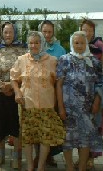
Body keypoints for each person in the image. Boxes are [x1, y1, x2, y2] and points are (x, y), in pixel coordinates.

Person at [10, 31, 65, 171]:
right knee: (28, 138)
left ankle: (40, 167)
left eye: (37, 42)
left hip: (47, 106)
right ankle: (29, 166)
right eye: (31, 43)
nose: (33, 45)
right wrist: (17, 92)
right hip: (27, 105)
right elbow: (13, 78)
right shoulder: (22, 60)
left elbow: (58, 82)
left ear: (42, 43)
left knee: (45, 138)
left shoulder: (52, 61)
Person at [56, 31, 103, 171]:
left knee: (85, 140)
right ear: (72, 44)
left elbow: (100, 84)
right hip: (69, 110)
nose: (79, 45)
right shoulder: (64, 60)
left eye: (82, 42)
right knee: (68, 141)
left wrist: (97, 102)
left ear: (86, 44)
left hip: (88, 110)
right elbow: (58, 85)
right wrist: (60, 107)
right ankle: (70, 167)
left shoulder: (94, 62)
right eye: (76, 43)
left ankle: (82, 167)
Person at [0, 21, 26, 169]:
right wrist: (0, 85)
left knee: (16, 125)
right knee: (0, 124)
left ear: (15, 33)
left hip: (16, 93)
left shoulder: (22, 50)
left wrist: (11, 85)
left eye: (10, 32)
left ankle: (16, 157)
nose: (7, 35)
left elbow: (26, 72)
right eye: (5, 32)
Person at [38, 20, 66, 167]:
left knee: (51, 126)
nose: (47, 35)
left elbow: (63, 74)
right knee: (37, 125)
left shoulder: (60, 50)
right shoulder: (34, 47)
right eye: (44, 32)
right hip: (37, 95)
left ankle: (50, 156)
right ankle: (39, 156)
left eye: (49, 32)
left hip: (54, 93)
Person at [80, 18, 103, 170]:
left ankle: (91, 158)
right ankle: (82, 158)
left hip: (95, 92)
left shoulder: (100, 47)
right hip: (79, 95)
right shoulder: (77, 44)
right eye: (84, 29)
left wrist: (100, 97)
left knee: (94, 126)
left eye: (90, 30)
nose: (87, 33)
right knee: (81, 128)